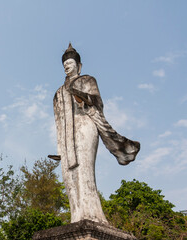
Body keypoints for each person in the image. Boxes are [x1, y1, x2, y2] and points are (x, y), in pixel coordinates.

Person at [52, 43, 140, 223]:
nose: (67, 66)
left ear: (79, 65)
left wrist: (80, 95)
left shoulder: (87, 80)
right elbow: (59, 122)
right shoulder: (58, 93)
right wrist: (60, 148)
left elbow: (98, 102)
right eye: (65, 64)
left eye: (70, 63)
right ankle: (76, 216)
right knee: (68, 177)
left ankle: (92, 215)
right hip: (66, 135)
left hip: (85, 126)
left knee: (84, 170)